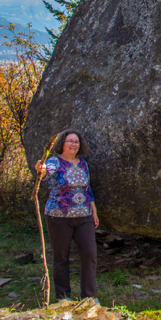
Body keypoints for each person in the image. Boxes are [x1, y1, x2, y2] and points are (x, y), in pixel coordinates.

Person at [35, 129, 99, 303]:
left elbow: (87, 188)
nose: (73, 144)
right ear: (62, 143)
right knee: (61, 257)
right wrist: (41, 169)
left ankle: (89, 297)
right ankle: (64, 297)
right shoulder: (54, 163)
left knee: (89, 254)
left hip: (84, 216)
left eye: (76, 142)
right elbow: (45, 171)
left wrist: (94, 211)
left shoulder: (83, 164)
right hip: (58, 217)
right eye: (70, 141)